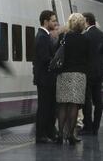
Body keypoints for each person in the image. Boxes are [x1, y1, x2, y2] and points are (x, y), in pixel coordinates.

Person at [56, 13, 90, 145]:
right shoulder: (86, 39)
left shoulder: (63, 37)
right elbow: (88, 58)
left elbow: (57, 53)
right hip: (78, 74)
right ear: (82, 24)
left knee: (63, 105)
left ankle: (59, 135)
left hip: (63, 74)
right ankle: (70, 135)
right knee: (74, 105)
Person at [33, 10, 58, 143]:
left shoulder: (44, 35)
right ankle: (41, 134)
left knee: (48, 106)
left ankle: (49, 132)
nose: (55, 23)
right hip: (45, 78)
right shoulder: (43, 36)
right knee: (44, 107)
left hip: (45, 78)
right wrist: (56, 60)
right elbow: (44, 58)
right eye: (53, 20)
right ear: (45, 21)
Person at [81, 13, 103, 136]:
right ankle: (96, 127)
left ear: (87, 21)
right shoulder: (102, 35)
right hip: (100, 71)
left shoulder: (86, 36)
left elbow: (83, 55)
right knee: (98, 100)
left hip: (88, 72)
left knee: (87, 100)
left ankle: (88, 127)